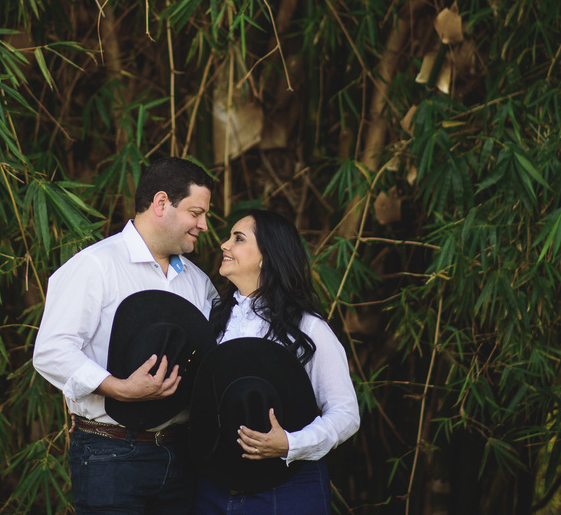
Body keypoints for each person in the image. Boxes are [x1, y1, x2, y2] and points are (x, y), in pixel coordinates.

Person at [33, 157, 219, 515]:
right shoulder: (96, 265)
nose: (204, 225)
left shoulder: (199, 283)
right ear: (161, 203)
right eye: (196, 213)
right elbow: (51, 350)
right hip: (111, 454)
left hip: (182, 456)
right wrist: (118, 388)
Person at [194, 209, 360, 515]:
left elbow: (346, 413)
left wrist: (291, 443)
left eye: (238, 238)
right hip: (213, 485)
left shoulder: (308, 328)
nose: (224, 245)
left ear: (267, 256)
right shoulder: (212, 319)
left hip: (287, 487)